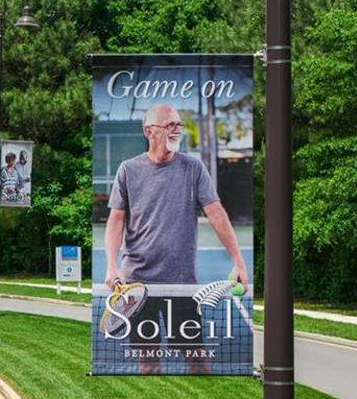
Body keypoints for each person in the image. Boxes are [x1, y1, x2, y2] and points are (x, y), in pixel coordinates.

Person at [103, 103, 249, 373]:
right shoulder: (128, 170)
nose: (176, 130)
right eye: (169, 125)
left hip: (182, 284)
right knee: (148, 364)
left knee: (197, 361)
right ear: (149, 131)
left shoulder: (193, 168)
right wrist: (112, 265)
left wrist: (239, 262)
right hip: (138, 286)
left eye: (178, 125)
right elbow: (116, 221)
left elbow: (216, 214)